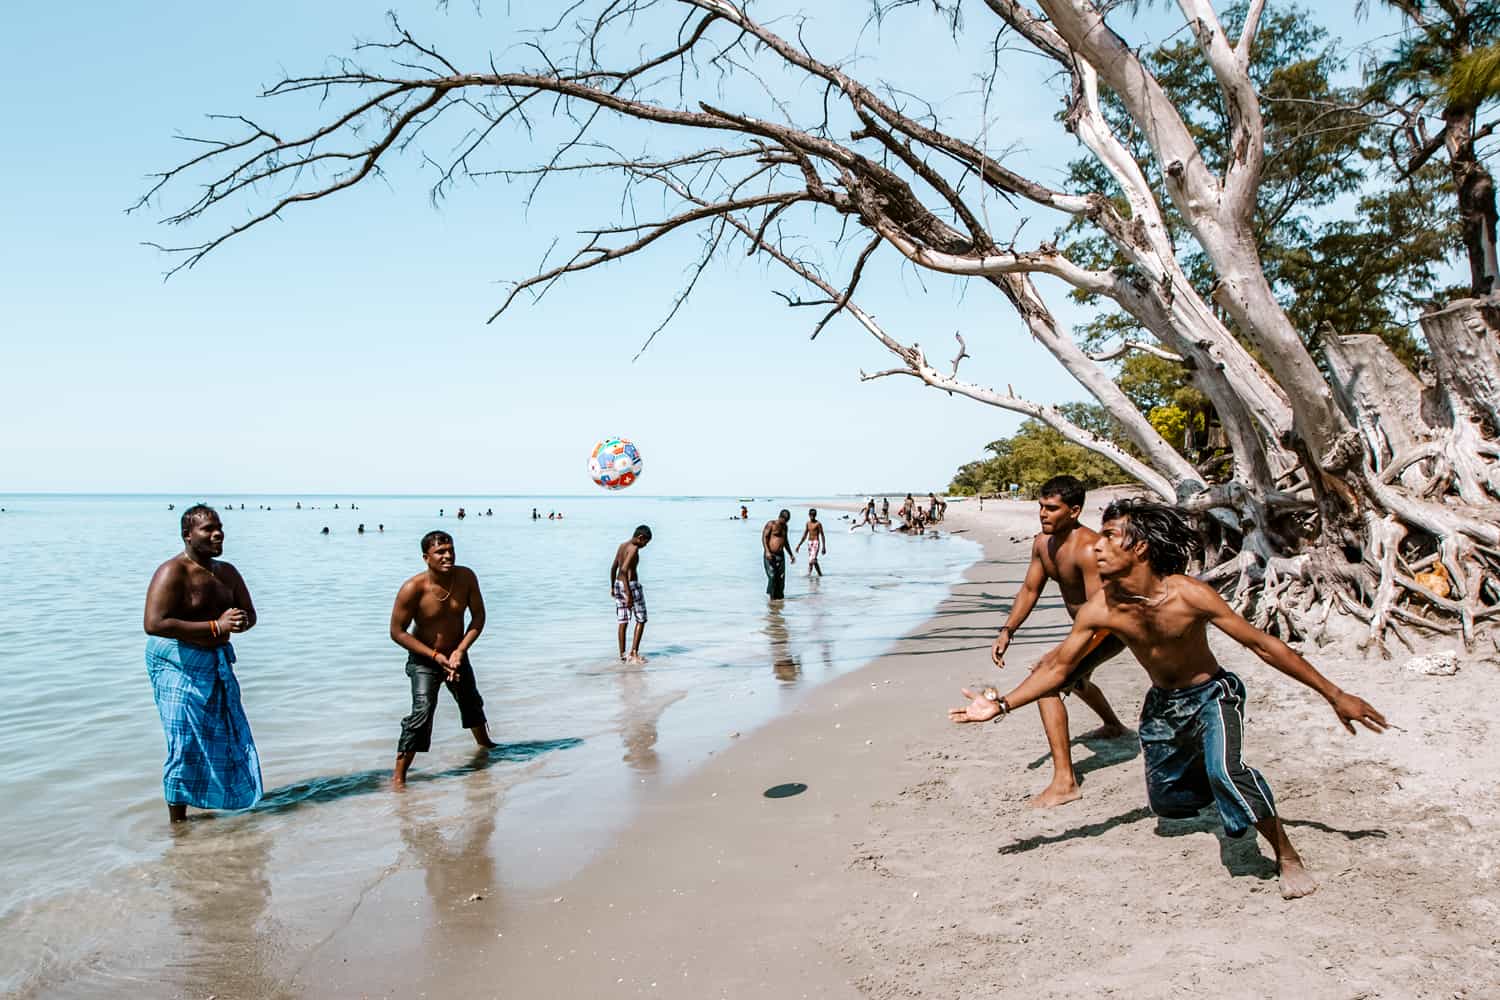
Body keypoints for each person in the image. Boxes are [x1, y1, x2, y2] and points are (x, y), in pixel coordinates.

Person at [951, 498, 1387, 899]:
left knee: (1227, 770)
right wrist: (1002, 703)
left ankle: (1286, 856)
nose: (1097, 546)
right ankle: (1225, 788)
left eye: (1110, 536)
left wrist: (1334, 694)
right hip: (1163, 709)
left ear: (1140, 548)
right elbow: (1059, 668)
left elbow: (1262, 644)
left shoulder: (1187, 594)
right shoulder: (1099, 609)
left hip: (1213, 694)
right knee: (1171, 807)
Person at [985, 476, 1130, 807]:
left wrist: (1062, 654)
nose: (1043, 514)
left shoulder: (1090, 549)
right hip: (1086, 627)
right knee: (1074, 678)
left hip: (1110, 629)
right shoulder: (1042, 544)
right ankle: (1113, 726)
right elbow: (1030, 590)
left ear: (1075, 510)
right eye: (1040, 506)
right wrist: (1008, 630)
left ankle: (1065, 782)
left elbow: (1101, 612)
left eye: (1052, 508)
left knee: (1046, 681)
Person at [143, 505, 262, 822]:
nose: (217, 533)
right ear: (187, 535)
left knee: (226, 736)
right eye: (208, 529)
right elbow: (154, 623)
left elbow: (249, 614)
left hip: (215, 662)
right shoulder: (172, 572)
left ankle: (225, 803)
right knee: (183, 740)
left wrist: (239, 622)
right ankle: (177, 824)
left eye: (219, 527)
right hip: (176, 664)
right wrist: (215, 627)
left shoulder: (228, 573)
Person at [390, 530, 496, 788]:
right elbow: (397, 632)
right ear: (426, 558)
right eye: (440, 552)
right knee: (422, 713)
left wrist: (460, 651)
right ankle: (398, 779)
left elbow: (479, 617)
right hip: (424, 660)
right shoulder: (413, 588)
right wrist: (436, 656)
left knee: (471, 701)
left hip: (457, 655)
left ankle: (488, 749)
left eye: (450, 550)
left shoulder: (466, 577)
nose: (448, 556)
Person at [611, 525, 653, 663]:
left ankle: (623, 656)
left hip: (618, 585)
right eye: (645, 543)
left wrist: (612, 586)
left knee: (623, 621)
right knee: (641, 618)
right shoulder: (634, 549)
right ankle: (634, 653)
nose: (645, 546)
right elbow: (623, 570)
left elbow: (614, 568)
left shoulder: (622, 545)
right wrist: (629, 594)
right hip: (631, 587)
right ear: (640, 538)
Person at [763, 509, 796, 600]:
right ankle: (772, 600)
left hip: (780, 556)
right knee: (772, 577)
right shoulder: (771, 524)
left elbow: (786, 541)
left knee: (780, 579)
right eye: (785, 520)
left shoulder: (785, 527)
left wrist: (791, 554)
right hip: (770, 555)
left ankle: (779, 602)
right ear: (780, 517)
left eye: (787, 521)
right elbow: (764, 537)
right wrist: (767, 551)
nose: (785, 522)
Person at [795, 508, 828, 577]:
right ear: (809, 515)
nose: (812, 517)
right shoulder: (808, 523)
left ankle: (809, 575)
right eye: (811, 515)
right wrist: (799, 545)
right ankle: (819, 575)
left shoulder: (818, 524)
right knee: (812, 561)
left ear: (815, 515)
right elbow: (805, 535)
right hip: (809, 543)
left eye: (813, 515)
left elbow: (822, 535)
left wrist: (824, 547)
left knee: (812, 560)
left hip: (816, 542)